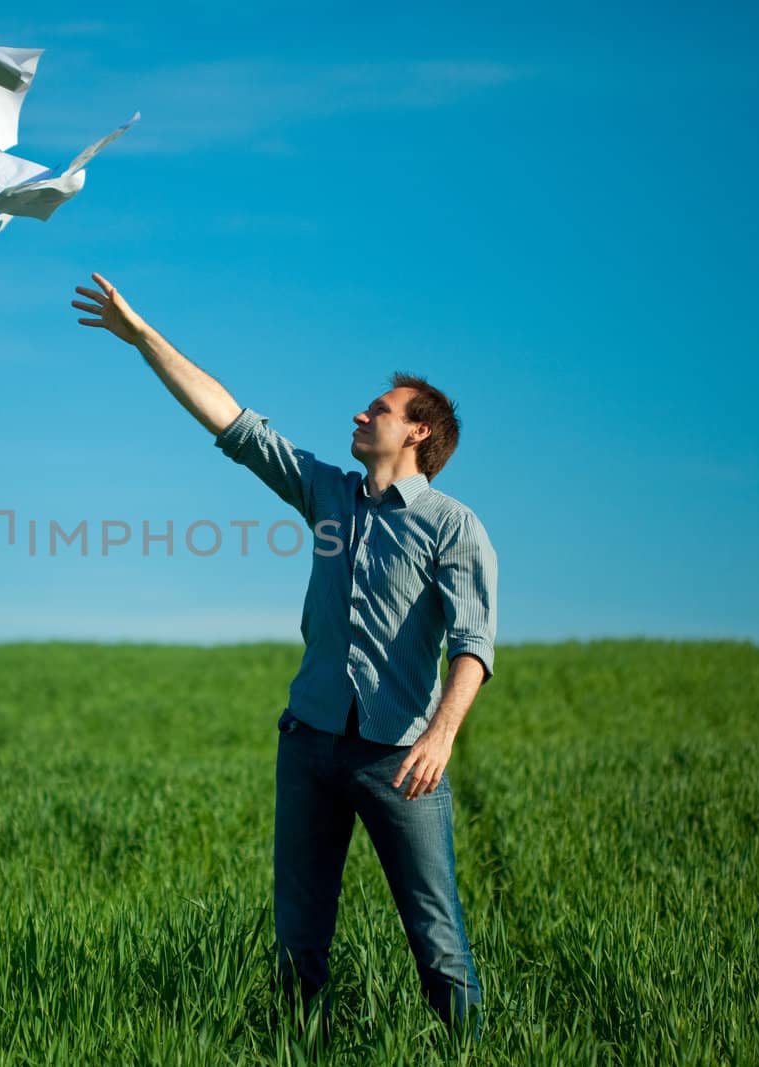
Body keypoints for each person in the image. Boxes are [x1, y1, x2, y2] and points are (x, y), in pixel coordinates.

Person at [72, 272, 496, 1039]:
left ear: (418, 433)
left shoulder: (453, 527)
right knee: (299, 947)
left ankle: (470, 1053)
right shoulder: (328, 495)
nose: (362, 414)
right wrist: (143, 339)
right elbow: (233, 421)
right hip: (308, 746)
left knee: (438, 947)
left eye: (381, 410)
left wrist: (441, 734)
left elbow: (473, 642)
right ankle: (302, 1052)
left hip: (401, 758)